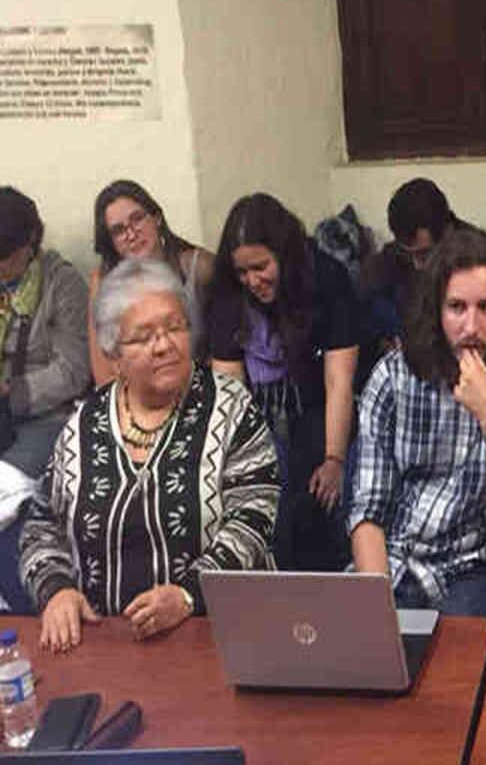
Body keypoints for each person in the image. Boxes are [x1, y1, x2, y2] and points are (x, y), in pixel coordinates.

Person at [19, 258, 279, 653]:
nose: (163, 345)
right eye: (143, 336)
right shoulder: (84, 423)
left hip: (219, 636)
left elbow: (254, 517)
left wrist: (189, 595)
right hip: (105, 644)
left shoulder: (230, 408)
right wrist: (55, 590)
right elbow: (41, 523)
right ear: (114, 354)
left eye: (174, 327)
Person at [348, 227, 486, 621]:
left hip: (469, 567)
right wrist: (377, 611)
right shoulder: (393, 376)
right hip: (392, 560)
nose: (471, 327)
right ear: (437, 311)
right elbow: (368, 510)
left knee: (457, 675)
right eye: (457, 307)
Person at [208, 193, 360, 572]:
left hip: (320, 409)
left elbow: (339, 383)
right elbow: (230, 395)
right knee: (269, 501)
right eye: (243, 272)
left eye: (261, 267)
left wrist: (334, 459)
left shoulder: (326, 278)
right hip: (261, 416)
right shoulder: (228, 295)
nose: (253, 281)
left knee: (325, 498)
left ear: (284, 255)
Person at [0, 187, 90, 479]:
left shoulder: (62, 283)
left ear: (30, 240)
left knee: (6, 485)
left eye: (5, 256)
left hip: (44, 416)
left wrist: (10, 391)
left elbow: (73, 371)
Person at [89, 180, 215, 386]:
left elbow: (226, 352)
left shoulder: (200, 268)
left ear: (156, 218)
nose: (131, 234)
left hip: (198, 387)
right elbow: (104, 375)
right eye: (119, 230)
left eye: (137, 219)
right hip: (136, 396)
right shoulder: (103, 282)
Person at [361, 178, 463, 351]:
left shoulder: (479, 259)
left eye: (424, 253)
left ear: (447, 232)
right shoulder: (390, 258)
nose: (417, 264)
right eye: (409, 253)